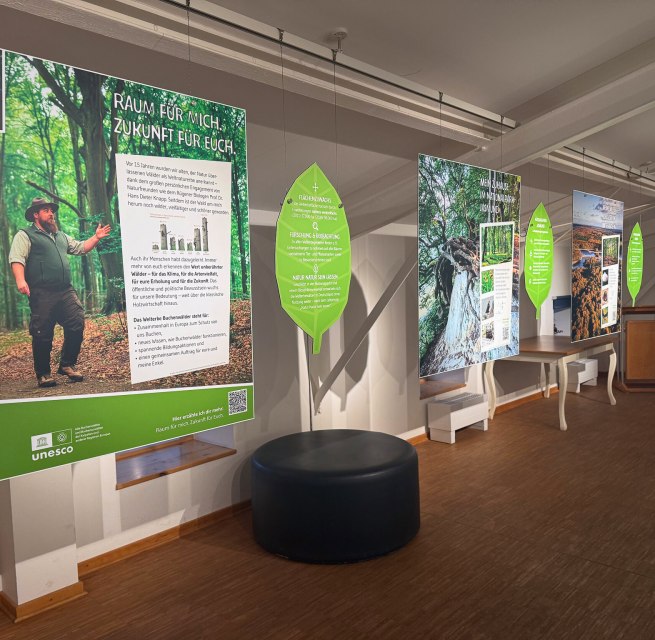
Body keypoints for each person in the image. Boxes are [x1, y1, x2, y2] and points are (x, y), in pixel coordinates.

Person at [8, 197, 111, 388]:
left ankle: (67, 364)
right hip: (41, 292)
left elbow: (80, 247)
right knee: (42, 333)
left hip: (65, 291)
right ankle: (43, 373)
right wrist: (20, 280)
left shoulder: (61, 236)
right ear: (35, 214)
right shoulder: (25, 235)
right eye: (46, 210)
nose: (51, 214)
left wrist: (96, 237)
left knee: (76, 322)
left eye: (52, 210)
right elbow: (17, 258)